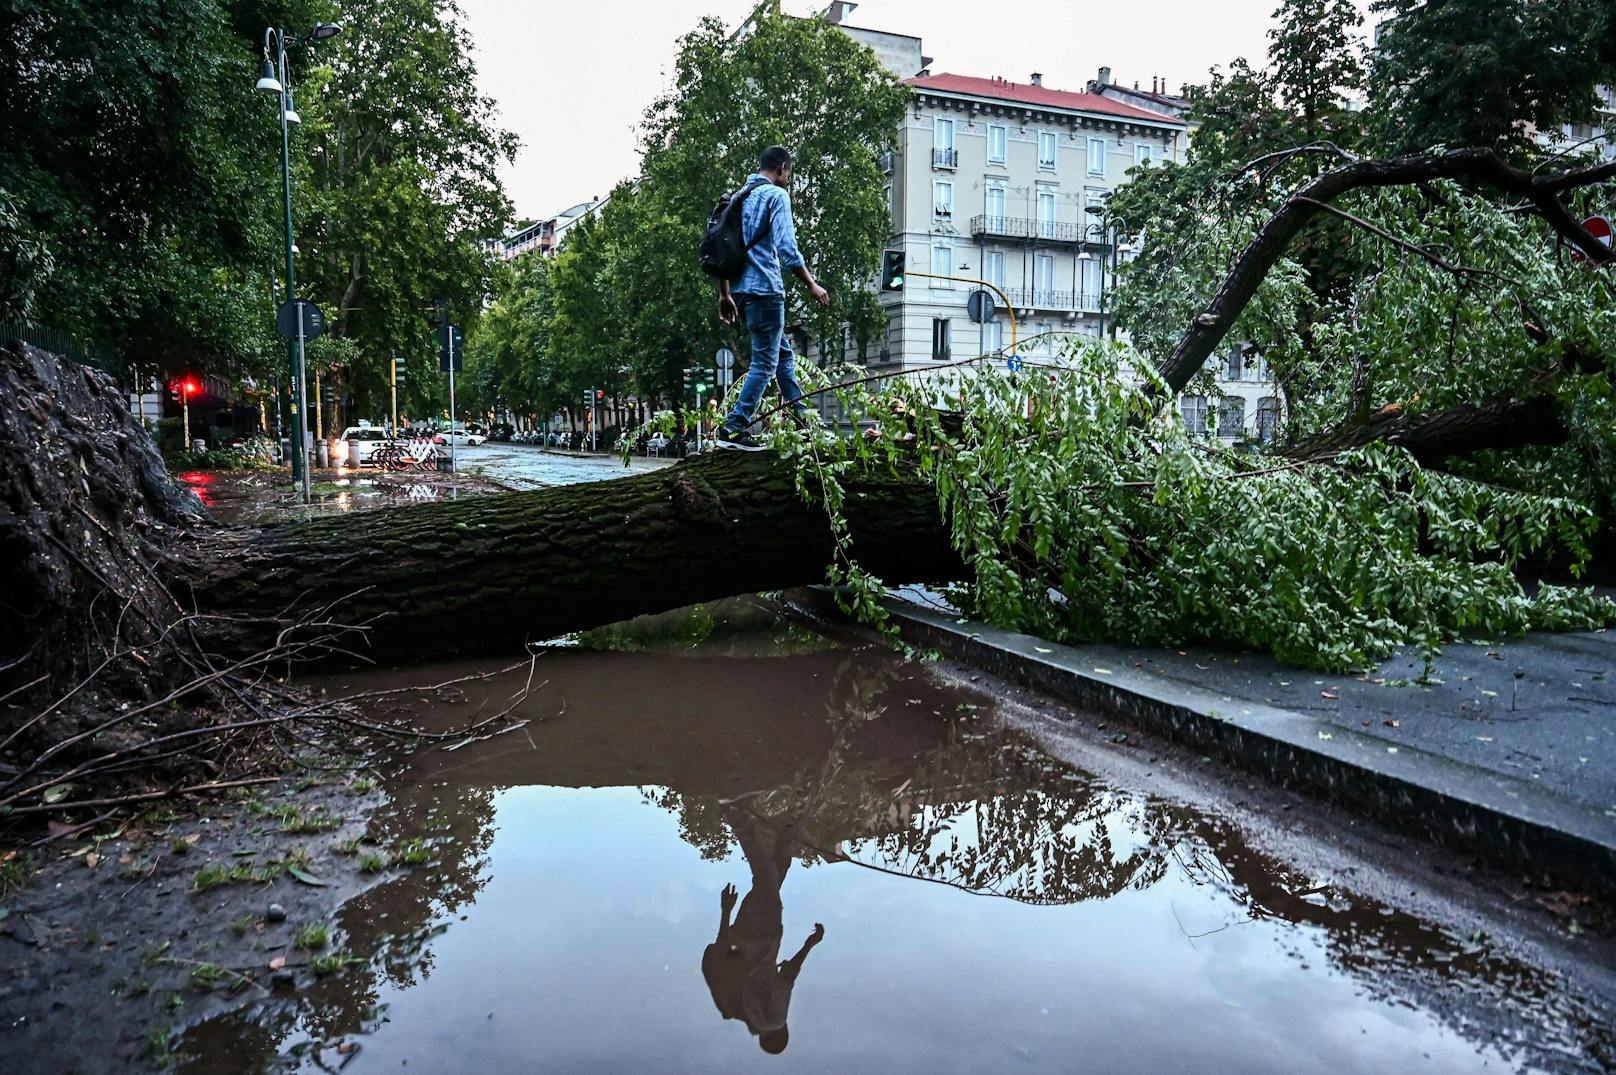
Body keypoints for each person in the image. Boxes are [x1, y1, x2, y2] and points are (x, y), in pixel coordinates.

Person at [715, 145, 831, 451]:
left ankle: (807, 424)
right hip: (766, 291)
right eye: (789, 172)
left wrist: (724, 295)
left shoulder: (740, 196)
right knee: (765, 364)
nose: (788, 178)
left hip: (741, 292)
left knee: (782, 358)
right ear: (781, 168)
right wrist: (812, 284)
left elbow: (722, 250)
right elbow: (787, 248)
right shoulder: (776, 196)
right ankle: (734, 428)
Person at [701, 805, 825, 1053]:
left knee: (765, 874)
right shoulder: (740, 1009)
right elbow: (723, 953)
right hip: (743, 929)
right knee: (776, 872)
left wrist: (810, 945)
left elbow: (787, 976)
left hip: (764, 932)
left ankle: (736, 814)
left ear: (780, 1034)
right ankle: (792, 820)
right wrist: (726, 912)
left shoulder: (774, 1019)